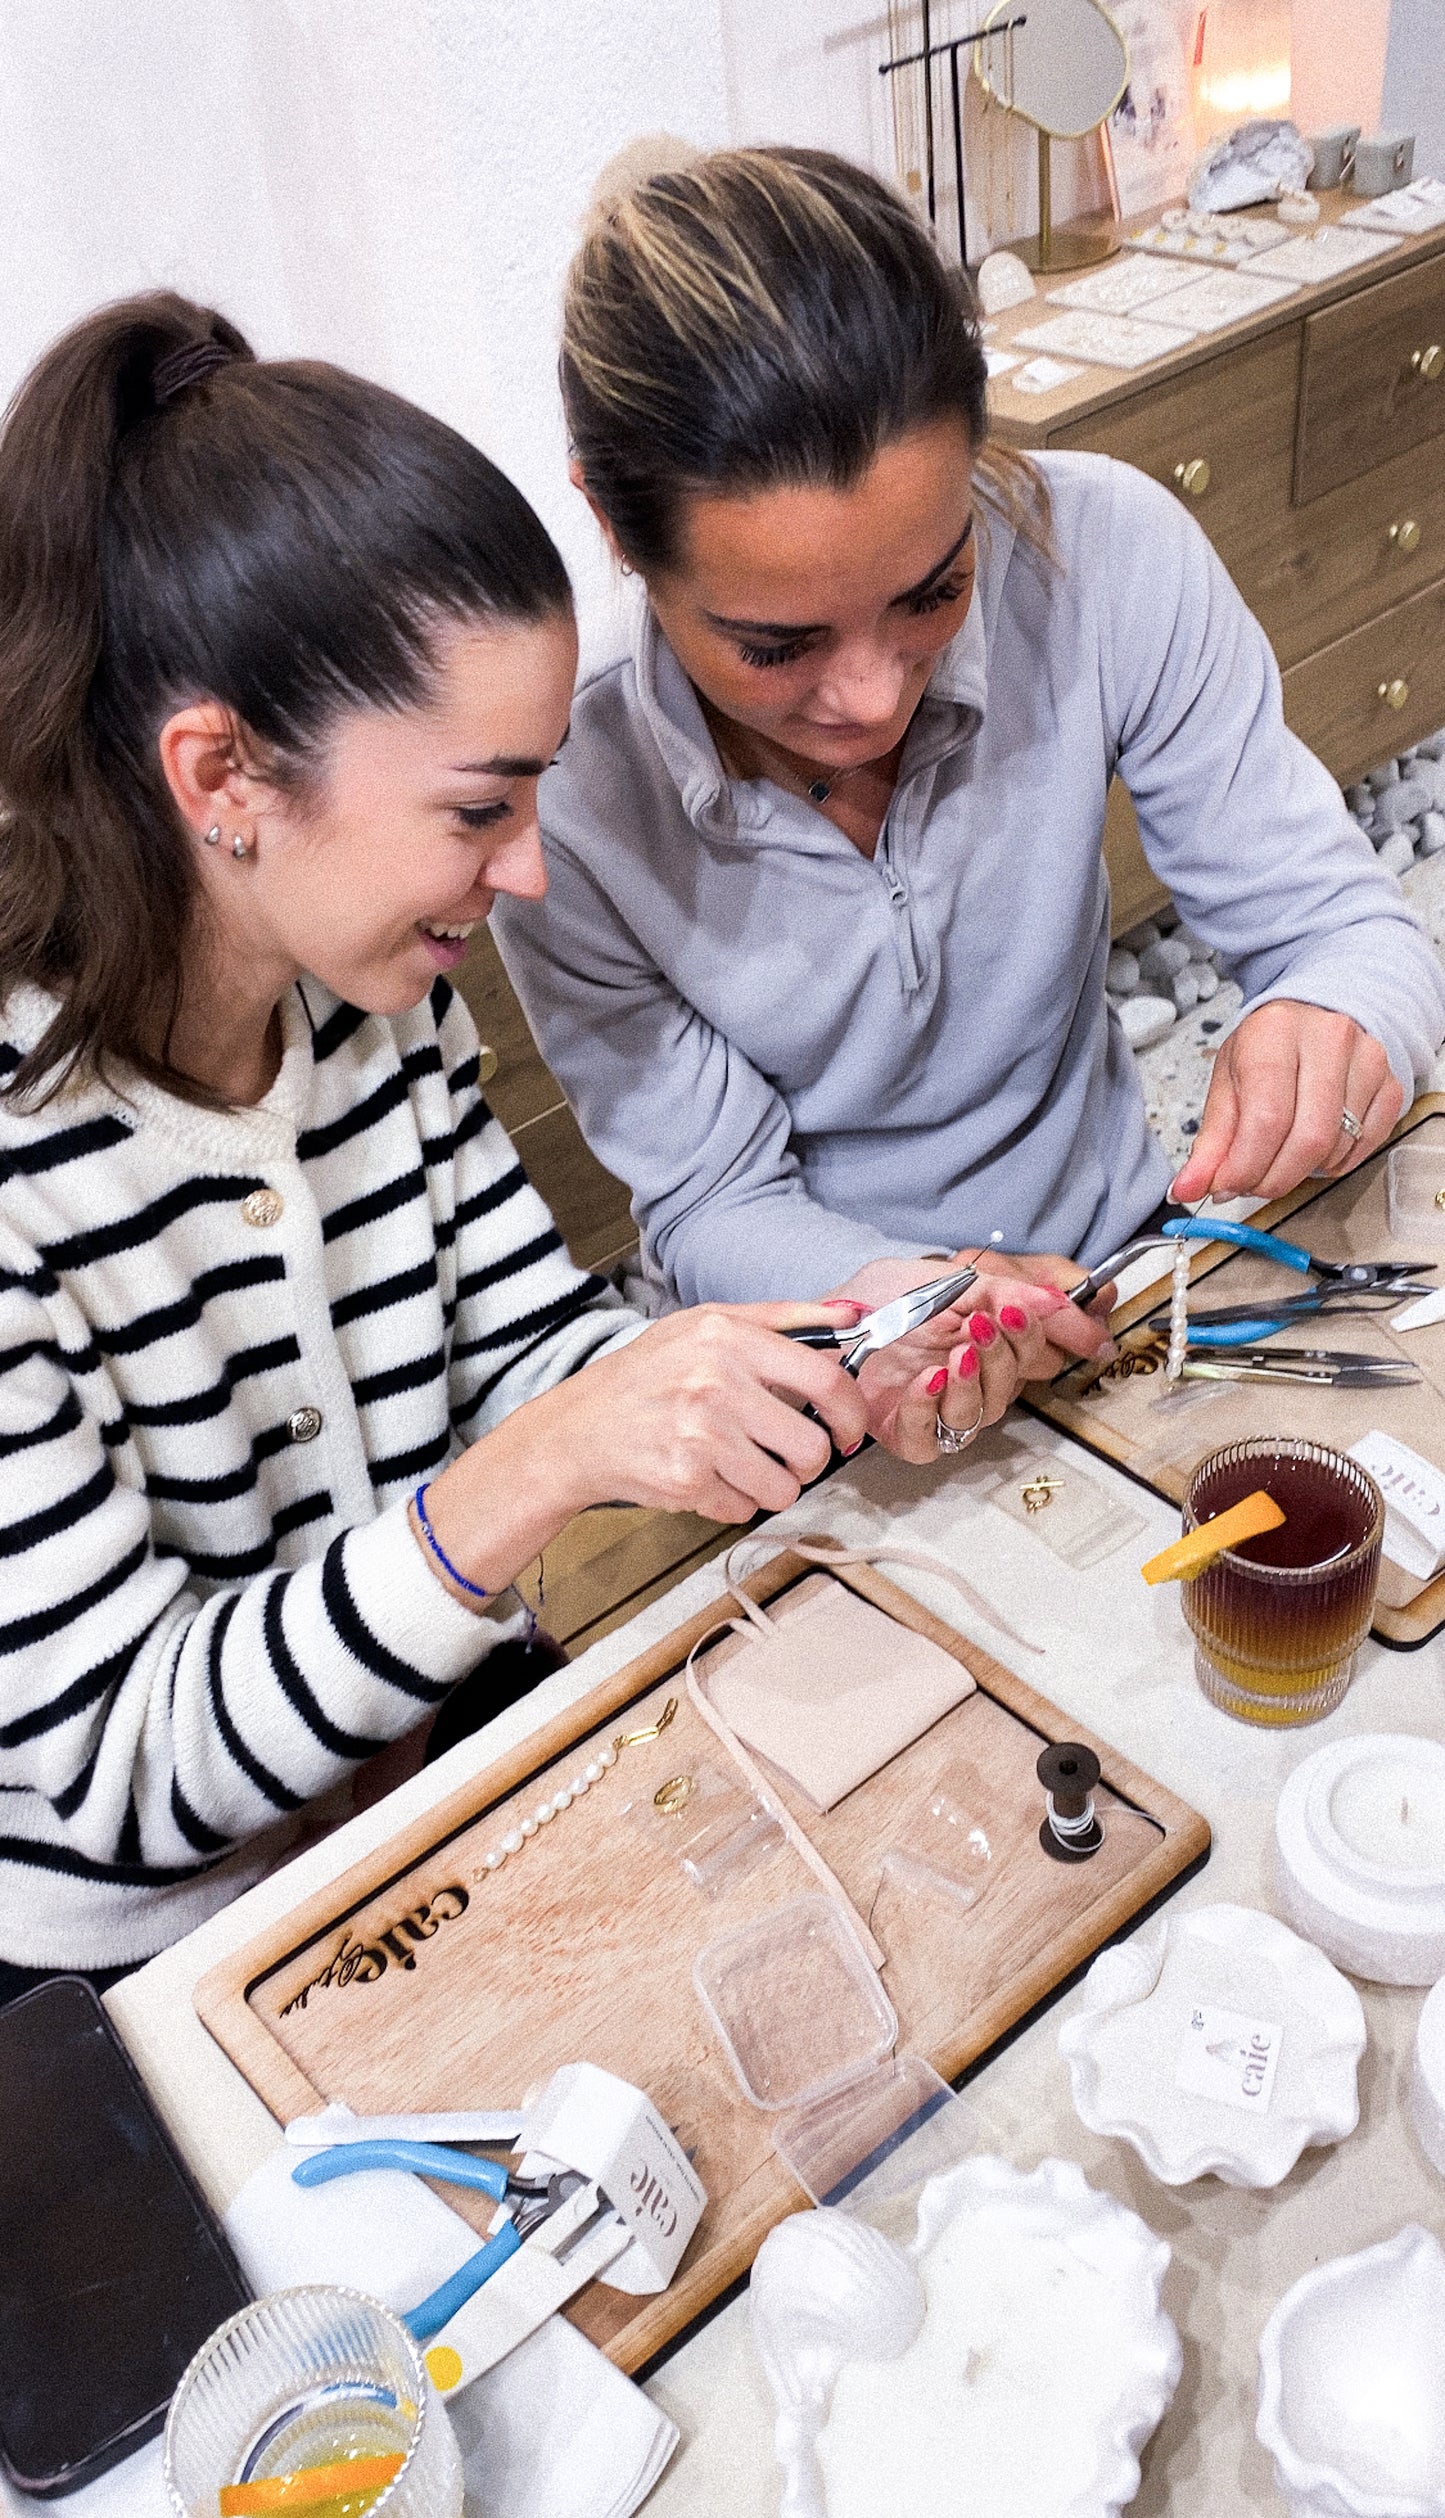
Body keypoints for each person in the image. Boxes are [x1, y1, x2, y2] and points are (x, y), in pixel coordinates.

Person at [0, 288, 1023, 1992]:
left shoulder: (366, 1000)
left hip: (418, 1798)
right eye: (482, 806)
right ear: (223, 776)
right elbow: (123, 1772)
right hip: (146, 1963)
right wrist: (539, 1467)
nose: (532, 867)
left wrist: (840, 1344)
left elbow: (530, 1348)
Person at [491, 146, 1445, 1389]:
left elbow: (1345, 926)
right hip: (831, 1346)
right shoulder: (565, 798)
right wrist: (896, 1304)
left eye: (933, 589)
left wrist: (1338, 1013)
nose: (873, 697)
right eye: (775, 646)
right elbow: (710, 1199)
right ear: (613, 531)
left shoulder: (1102, 553)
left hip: (1129, 1257)